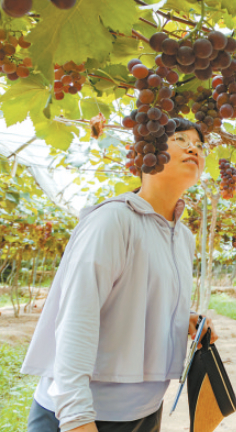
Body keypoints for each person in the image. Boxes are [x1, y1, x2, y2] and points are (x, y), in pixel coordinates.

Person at [23, 118, 219, 432]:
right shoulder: (113, 219)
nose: (193, 148)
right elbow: (76, 317)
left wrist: (183, 318)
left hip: (145, 412)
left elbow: (134, 297)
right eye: (180, 139)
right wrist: (76, 417)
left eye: (199, 144)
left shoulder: (183, 236)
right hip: (85, 415)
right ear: (147, 153)